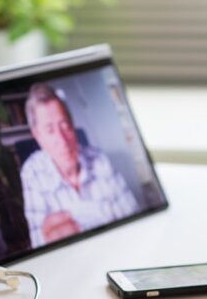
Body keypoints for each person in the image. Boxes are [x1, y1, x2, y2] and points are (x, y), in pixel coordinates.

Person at [20, 82, 139, 248]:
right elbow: (39, 242)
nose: (62, 140)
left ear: (73, 126)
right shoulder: (32, 172)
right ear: (37, 136)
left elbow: (133, 218)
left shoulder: (100, 160)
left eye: (65, 125)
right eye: (50, 130)